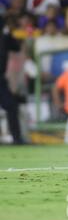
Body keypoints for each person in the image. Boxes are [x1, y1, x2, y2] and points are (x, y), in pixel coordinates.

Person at [0, 16, 25, 144]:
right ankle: (17, 138)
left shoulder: (5, 38)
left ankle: (17, 139)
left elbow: (16, 47)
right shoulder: (4, 37)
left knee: (11, 106)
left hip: (1, 80)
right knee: (11, 106)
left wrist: (8, 34)